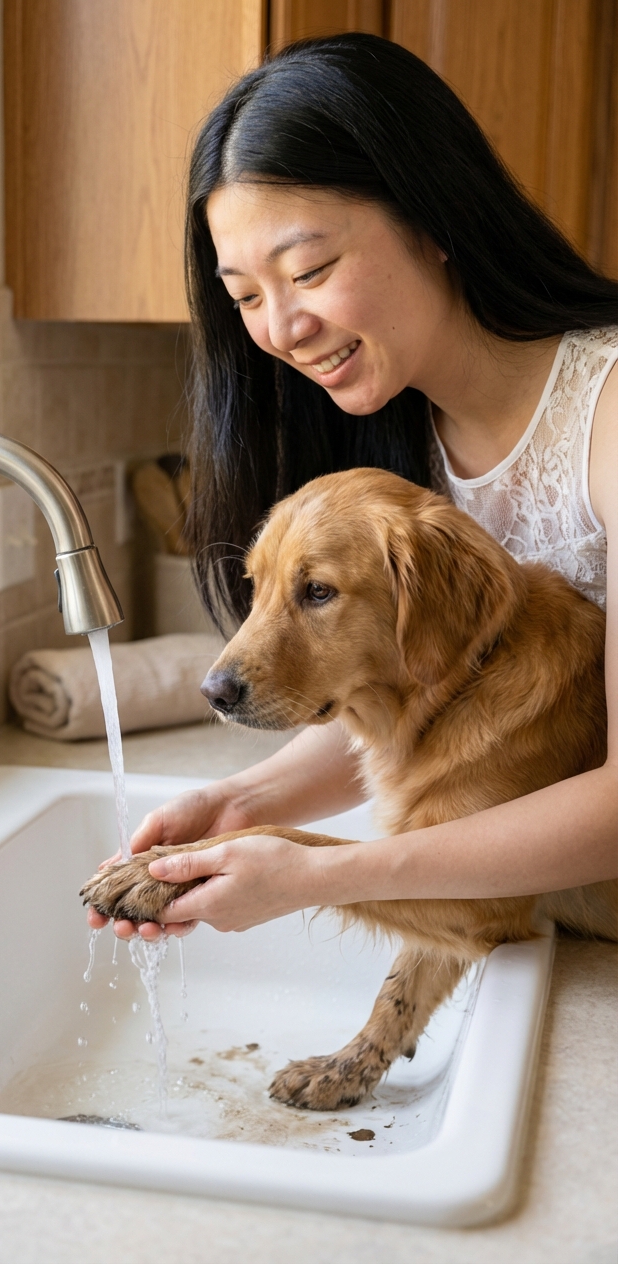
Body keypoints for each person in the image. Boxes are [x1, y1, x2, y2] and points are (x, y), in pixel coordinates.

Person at [89, 33, 618, 942]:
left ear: (434, 220)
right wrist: (240, 802)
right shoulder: (399, 434)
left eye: (309, 271)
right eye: (245, 296)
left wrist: (318, 872)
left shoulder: (608, 417)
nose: (283, 328)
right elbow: (410, 686)